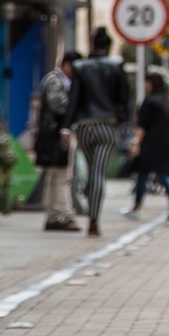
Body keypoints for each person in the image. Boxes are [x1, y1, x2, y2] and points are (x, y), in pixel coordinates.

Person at [70, 27, 130, 238]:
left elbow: (74, 99)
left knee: (90, 169)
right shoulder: (116, 66)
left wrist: (67, 125)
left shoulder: (80, 66)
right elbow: (124, 98)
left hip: (84, 126)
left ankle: (90, 198)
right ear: (109, 47)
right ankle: (94, 220)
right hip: (107, 126)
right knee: (98, 173)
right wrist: (122, 122)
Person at [125, 71, 169, 221]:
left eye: (146, 83)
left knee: (142, 177)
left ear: (152, 84)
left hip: (150, 145)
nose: (145, 86)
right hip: (168, 143)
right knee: (165, 176)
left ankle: (136, 208)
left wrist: (135, 142)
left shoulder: (149, 101)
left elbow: (142, 125)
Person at [36, 50, 81, 232]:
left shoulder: (57, 80)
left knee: (55, 177)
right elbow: (58, 105)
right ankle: (64, 214)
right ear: (67, 65)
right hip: (56, 135)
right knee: (62, 177)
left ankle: (53, 215)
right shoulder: (55, 80)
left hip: (53, 134)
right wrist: (75, 107)